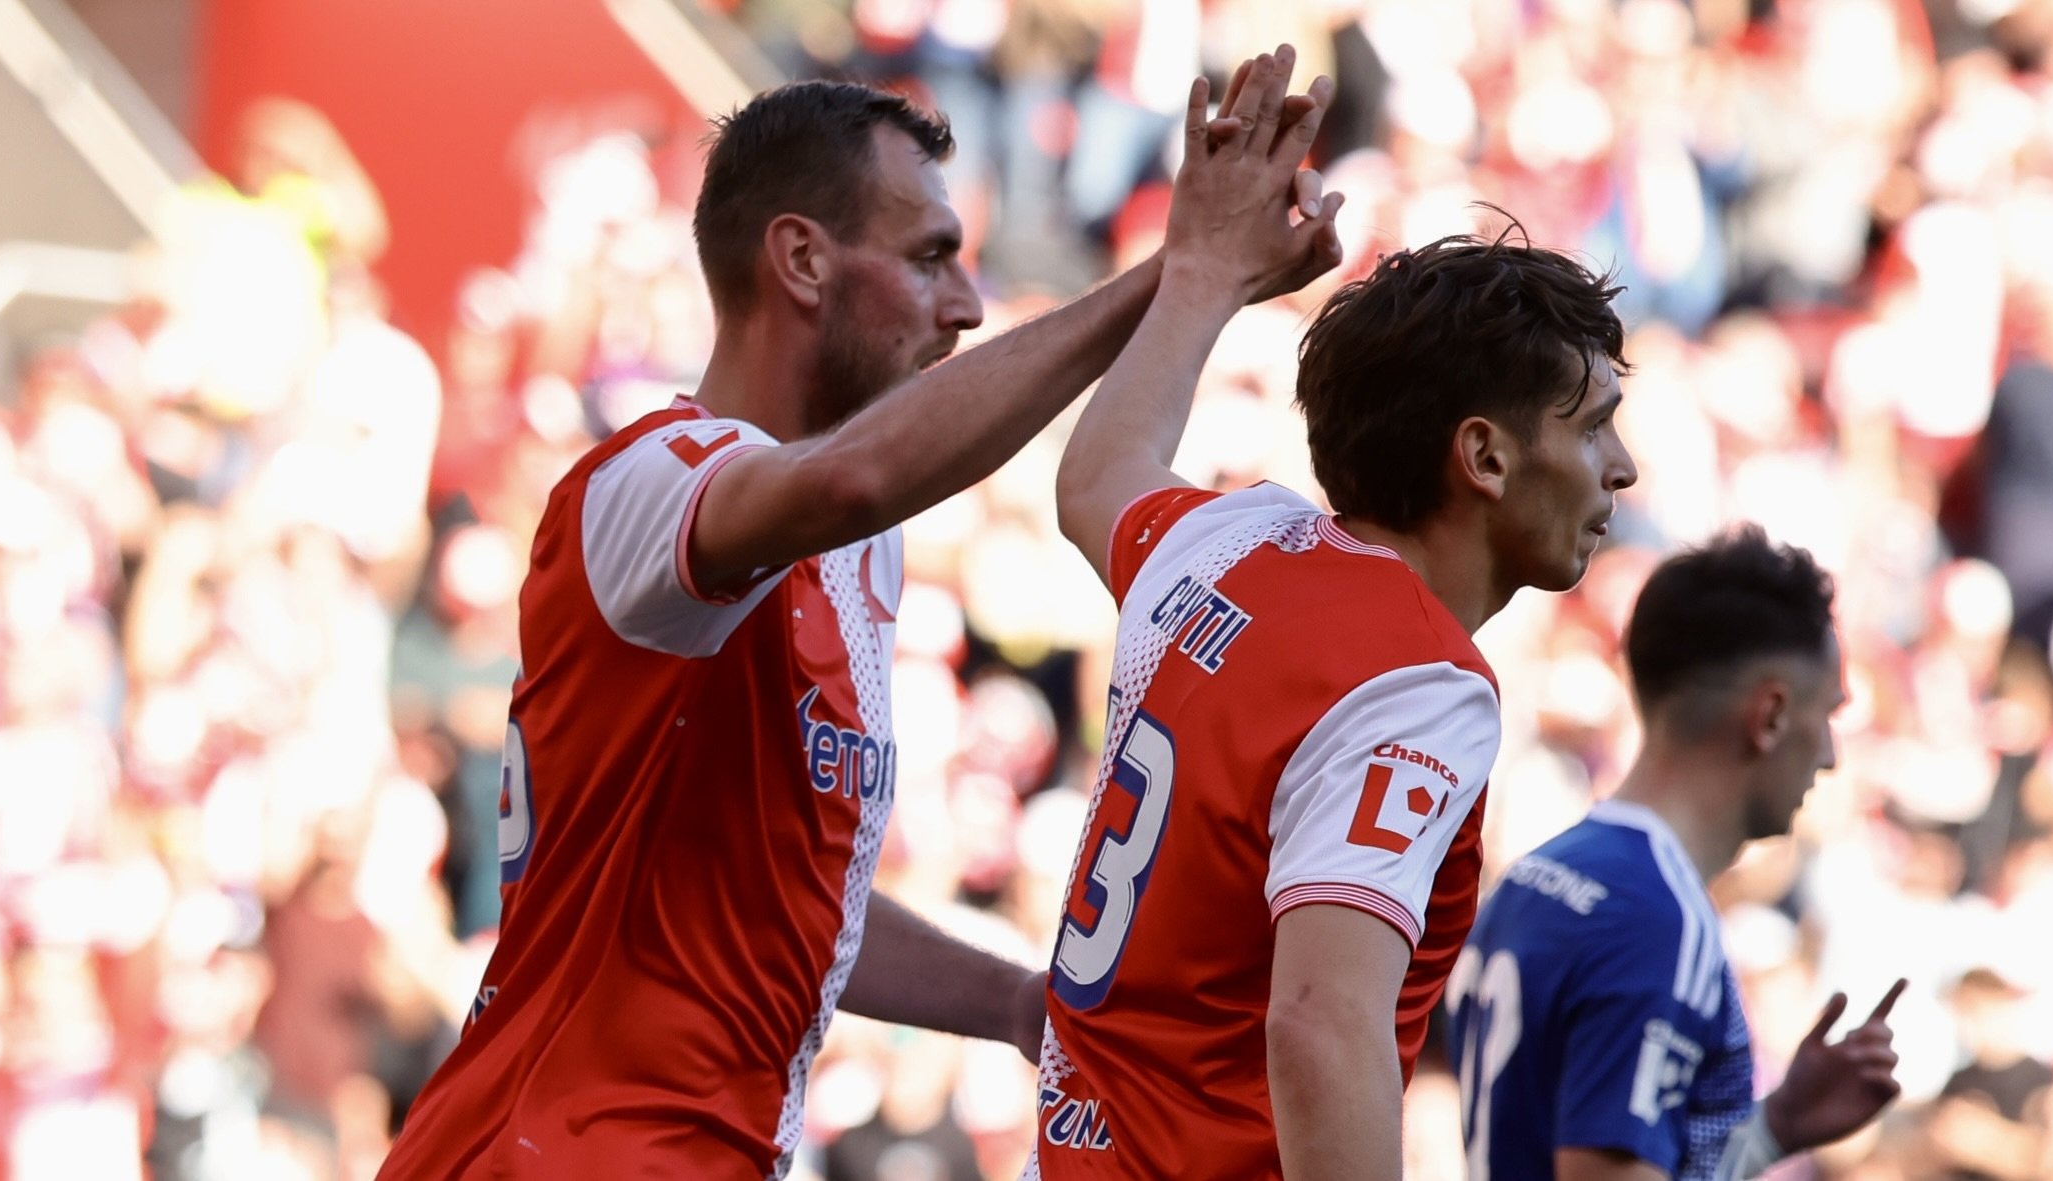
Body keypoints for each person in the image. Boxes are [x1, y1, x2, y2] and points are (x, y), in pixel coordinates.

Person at [380, 62, 1338, 1180]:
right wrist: (1183, 275)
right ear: (800, 259)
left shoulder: (857, 548)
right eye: (930, 258)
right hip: (545, 1151)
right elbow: (853, 476)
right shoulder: (643, 483)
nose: (965, 306)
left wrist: (1021, 1005)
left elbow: (789, 905)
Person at [1031, 49, 1639, 1181]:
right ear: (1484, 457)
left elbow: (1097, 471)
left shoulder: (1227, 543)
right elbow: (1321, 1020)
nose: (1624, 466)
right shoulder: (1419, 679)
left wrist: (1202, 275)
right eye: (1594, 423)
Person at [1447, 527, 1906, 1181]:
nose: (1831, 756)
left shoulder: (1539, 876)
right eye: (1827, 715)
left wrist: (1774, 1126)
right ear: (1770, 715)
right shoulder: (1657, 923)